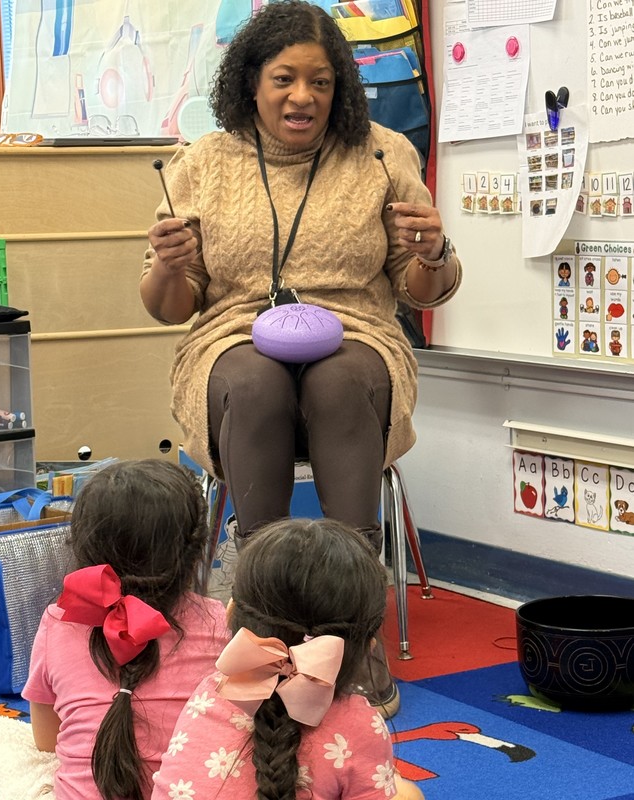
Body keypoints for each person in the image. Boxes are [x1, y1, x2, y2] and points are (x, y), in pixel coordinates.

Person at [140, 0, 462, 716]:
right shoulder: (204, 163)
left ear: (340, 88)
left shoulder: (383, 153)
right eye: (284, 79)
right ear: (252, 82)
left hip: (358, 334)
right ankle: (263, 620)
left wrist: (433, 253)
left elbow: (423, 288)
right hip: (232, 335)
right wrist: (169, 265)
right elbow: (171, 304)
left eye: (321, 82)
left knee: (343, 378)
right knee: (254, 384)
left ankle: (351, 634)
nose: (303, 97)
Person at [0, 459, 231, 800]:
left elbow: (47, 742)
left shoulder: (59, 620)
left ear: (81, 547)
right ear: (194, 554)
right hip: (184, 792)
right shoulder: (217, 620)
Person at [151, 518, 425, 800]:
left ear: (230, 613)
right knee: (407, 794)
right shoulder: (359, 725)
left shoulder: (210, 692)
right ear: (369, 646)